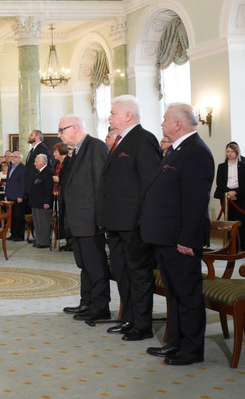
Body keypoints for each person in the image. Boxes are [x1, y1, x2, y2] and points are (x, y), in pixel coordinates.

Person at [141, 103, 214, 366]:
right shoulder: (177, 149)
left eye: (165, 120)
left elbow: (195, 202)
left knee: (188, 294)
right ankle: (175, 343)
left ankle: (192, 349)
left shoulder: (195, 151)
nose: (161, 124)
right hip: (166, 236)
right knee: (174, 293)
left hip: (180, 240)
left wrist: (186, 238)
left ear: (178, 124)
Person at [100, 95, 162, 341]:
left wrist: (142, 221)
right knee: (122, 273)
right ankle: (129, 319)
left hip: (133, 223)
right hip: (116, 223)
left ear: (128, 115)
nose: (109, 116)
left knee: (138, 274)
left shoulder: (144, 139)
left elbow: (150, 185)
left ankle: (142, 325)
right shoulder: (121, 141)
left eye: (113, 112)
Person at [58, 115, 110, 323]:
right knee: (84, 264)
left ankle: (100, 307)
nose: (59, 134)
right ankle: (86, 302)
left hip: (90, 220)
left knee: (95, 265)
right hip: (78, 219)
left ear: (76, 127)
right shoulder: (77, 150)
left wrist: (100, 219)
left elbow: (101, 185)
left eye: (62, 129)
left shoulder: (95, 147)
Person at [213, 141, 245, 249]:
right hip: (226, 196)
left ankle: (243, 246)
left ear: (237, 153)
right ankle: (231, 246)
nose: (229, 154)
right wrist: (228, 193)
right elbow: (220, 182)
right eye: (227, 151)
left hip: (240, 196)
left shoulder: (243, 165)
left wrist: (235, 192)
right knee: (229, 221)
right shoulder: (221, 166)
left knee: (241, 221)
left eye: (232, 151)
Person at [28, 153, 54, 249]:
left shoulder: (48, 172)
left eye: (36, 161)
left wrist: (47, 202)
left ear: (43, 162)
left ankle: (44, 242)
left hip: (43, 202)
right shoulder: (38, 172)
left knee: (43, 222)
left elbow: (48, 188)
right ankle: (39, 240)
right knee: (37, 222)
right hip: (36, 201)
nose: (34, 163)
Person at [51, 143, 71, 251]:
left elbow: (67, 178)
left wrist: (57, 179)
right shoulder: (57, 163)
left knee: (68, 219)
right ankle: (67, 241)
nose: (53, 153)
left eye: (55, 151)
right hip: (58, 193)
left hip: (68, 193)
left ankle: (71, 242)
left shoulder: (69, 162)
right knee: (62, 218)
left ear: (61, 151)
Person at [4, 151, 25, 241]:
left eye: (16, 157)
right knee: (12, 216)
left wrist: (21, 196)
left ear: (20, 158)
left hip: (18, 196)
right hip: (10, 195)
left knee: (19, 216)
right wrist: (6, 194)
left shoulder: (23, 168)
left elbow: (23, 183)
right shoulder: (10, 167)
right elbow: (8, 182)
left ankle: (20, 236)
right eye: (13, 156)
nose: (13, 158)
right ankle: (13, 234)